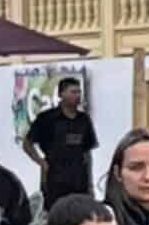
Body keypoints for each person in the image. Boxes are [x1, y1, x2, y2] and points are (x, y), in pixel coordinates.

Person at [25, 77, 100, 209]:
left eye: (79, 92)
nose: (77, 96)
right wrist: (41, 162)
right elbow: (27, 143)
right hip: (55, 181)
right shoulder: (47, 118)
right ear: (61, 94)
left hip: (79, 181)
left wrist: (90, 184)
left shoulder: (84, 120)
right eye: (73, 92)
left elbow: (87, 152)